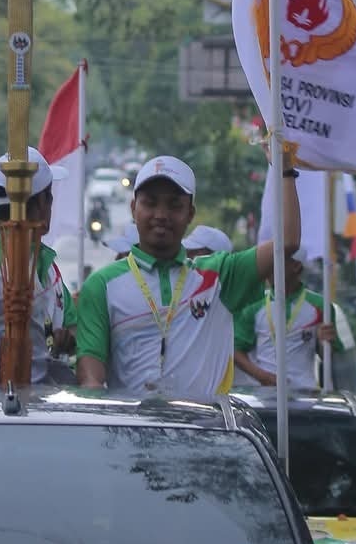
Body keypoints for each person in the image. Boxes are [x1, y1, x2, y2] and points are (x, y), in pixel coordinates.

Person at [74, 151, 301, 396]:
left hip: (203, 421)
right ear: (133, 208)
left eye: (174, 205)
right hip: (133, 422)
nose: (161, 215)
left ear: (190, 214)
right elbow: (91, 380)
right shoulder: (101, 285)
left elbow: (287, 242)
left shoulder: (219, 275)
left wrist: (285, 170)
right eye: (150, 203)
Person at [0, 147, 76, 386]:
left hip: (44, 403)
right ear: (42, 204)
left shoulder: (48, 266)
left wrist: (67, 339)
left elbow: (74, 327)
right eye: (49, 197)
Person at [233, 255, 347, 390]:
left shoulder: (320, 305)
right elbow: (235, 351)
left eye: (274, 264)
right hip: (264, 393)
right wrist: (262, 376)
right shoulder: (254, 304)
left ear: (296, 266)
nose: (267, 269)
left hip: (305, 392)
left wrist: (324, 344)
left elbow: (330, 357)